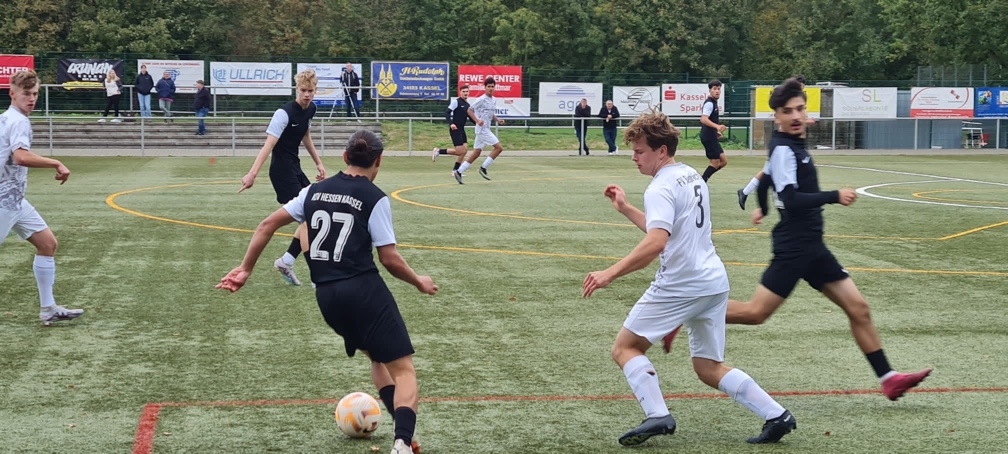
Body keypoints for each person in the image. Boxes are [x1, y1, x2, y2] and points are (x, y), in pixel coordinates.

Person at [671, 78, 933, 401]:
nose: (795, 116)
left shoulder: (788, 145)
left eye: (800, 109)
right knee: (755, 313)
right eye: (787, 111)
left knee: (859, 308)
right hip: (795, 245)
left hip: (813, 246)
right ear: (777, 117)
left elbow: (766, 179)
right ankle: (682, 313)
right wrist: (834, 195)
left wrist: (763, 208)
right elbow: (792, 199)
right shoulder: (784, 149)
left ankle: (888, 378)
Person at [582, 110, 795, 446]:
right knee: (708, 367)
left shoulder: (659, 187)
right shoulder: (690, 175)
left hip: (680, 284)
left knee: (625, 347)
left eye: (639, 151)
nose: (634, 157)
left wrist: (609, 273)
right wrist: (626, 208)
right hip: (712, 282)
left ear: (661, 150)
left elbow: (657, 242)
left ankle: (657, 414)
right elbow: (668, 229)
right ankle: (777, 415)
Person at [217, 130, 435, 454]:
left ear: (345, 157)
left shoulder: (313, 191)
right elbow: (388, 258)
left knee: (378, 357)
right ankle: (402, 443)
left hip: (327, 297)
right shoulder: (375, 198)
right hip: (363, 290)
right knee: (404, 371)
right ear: (378, 161)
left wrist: (245, 268)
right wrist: (418, 281)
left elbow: (266, 225)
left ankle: (404, 433)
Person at [0, 70, 82, 326]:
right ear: (12, 94)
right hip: (4, 201)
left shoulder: (6, 118)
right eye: (26, 94)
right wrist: (55, 162)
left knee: (47, 244)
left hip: (15, 200)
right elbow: (20, 157)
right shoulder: (18, 121)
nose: (32, 99)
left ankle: (48, 309)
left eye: (35, 94)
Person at [239, 69, 327, 286]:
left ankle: (286, 261)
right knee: (310, 218)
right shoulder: (283, 114)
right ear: (297, 89)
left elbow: (305, 135)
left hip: (295, 168)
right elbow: (268, 146)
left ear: (315, 91)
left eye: (310, 91)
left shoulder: (312, 109)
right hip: (281, 172)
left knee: (313, 213)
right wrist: (252, 174)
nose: (307, 95)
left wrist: (318, 162)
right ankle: (317, 276)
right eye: (303, 90)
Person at [737, 75, 816, 210]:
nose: (801, 88)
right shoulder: (788, 100)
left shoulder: (796, 99)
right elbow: (787, 121)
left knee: (768, 172)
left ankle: (746, 192)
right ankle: (752, 194)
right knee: (768, 172)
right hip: (784, 143)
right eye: (801, 86)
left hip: (788, 144)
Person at [455, 77, 504, 182]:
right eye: (488, 86)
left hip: (486, 128)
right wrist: (477, 120)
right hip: (482, 130)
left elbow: (490, 113)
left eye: (492, 86)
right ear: (485, 87)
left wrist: (497, 119)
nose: (490, 88)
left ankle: (459, 171)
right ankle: (483, 168)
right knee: (499, 148)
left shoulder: (493, 100)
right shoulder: (481, 99)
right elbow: (469, 110)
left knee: (476, 152)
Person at [431, 84, 480, 184]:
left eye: (467, 92)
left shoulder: (467, 105)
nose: (465, 93)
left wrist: (479, 123)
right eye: (463, 92)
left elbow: (471, 118)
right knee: (460, 151)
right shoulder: (456, 102)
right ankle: (439, 151)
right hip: (455, 129)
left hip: (462, 129)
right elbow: (447, 113)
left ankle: (455, 171)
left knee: (464, 151)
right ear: (460, 92)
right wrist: (451, 123)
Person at [699, 79, 727, 182]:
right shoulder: (709, 103)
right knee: (715, 163)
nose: (717, 91)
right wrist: (717, 127)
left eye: (719, 89)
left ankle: (702, 179)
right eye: (714, 89)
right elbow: (703, 119)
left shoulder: (714, 103)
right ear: (710, 90)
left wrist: (716, 131)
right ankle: (701, 182)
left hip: (712, 135)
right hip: (708, 137)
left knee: (723, 161)